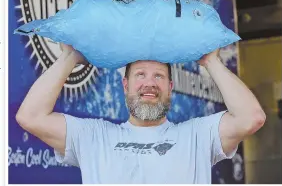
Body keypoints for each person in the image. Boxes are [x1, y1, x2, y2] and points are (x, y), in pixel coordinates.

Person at [16, 43, 266, 184]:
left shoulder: (197, 135)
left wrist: (212, 62)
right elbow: (30, 117)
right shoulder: (94, 136)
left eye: (158, 76)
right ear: (125, 86)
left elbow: (251, 118)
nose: (149, 83)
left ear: (170, 87)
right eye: (140, 75)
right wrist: (69, 58)